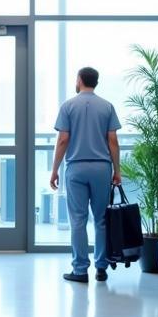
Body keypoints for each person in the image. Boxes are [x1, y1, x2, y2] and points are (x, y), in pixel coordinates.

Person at [49, 66, 122, 283]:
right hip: (101, 169)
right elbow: (113, 142)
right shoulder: (107, 106)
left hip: (76, 169)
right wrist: (117, 171)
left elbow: (63, 140)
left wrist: (54, 170)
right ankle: (101, 268)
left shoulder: (68, 106)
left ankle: (80, 270)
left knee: (78, 220)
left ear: (79, 80)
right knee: (101, 219)